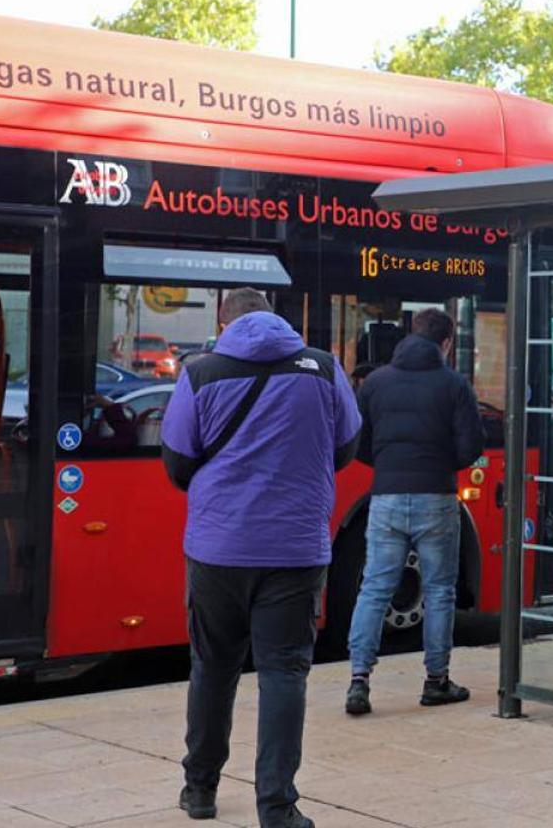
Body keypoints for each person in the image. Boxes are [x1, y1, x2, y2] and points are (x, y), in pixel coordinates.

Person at [161, 288, 361, 828]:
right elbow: (346, 445)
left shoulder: (200, 373)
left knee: (213, 667)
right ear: (275, 315)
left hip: (218, 550)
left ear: (224, 321)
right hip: (296, 549)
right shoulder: (321, 369)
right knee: (284, 674)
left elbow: (177, 463)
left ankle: (199, 789)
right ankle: (277, 808)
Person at [345, 308, 485, 716]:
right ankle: (436, 681)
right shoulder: (454, 385)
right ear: (445, 343)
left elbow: (358, 442)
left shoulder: (376, 382)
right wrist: (440, 462)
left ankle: (358, 681)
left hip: (386, 496)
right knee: (440, 591)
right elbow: (471, 445)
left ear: (411, 334)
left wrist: (388, 465)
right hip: (436, 497)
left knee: (373, 589)